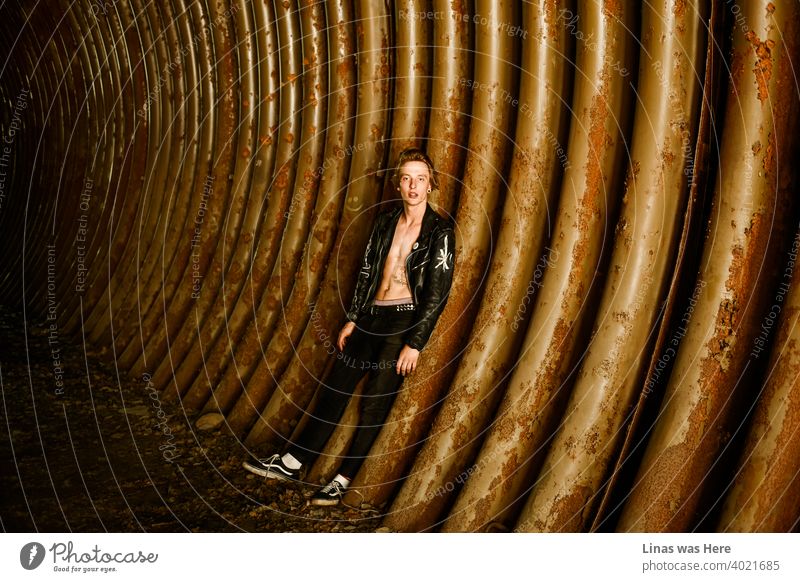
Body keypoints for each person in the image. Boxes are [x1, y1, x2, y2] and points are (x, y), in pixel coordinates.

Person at [243, 148, 455, 506]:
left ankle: (343, 479)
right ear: (398, 184)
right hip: (372, 316)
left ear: (431, 185)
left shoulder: (440, 230)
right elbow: (368, 272)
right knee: (335, 388)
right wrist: (354, 317)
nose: (413, 185)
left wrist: (415, 343)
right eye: (406, 178)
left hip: (403, 321)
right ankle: (292, 462)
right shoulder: (386, 222)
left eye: (420, 178)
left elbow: (437, 292)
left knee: (375, 403)